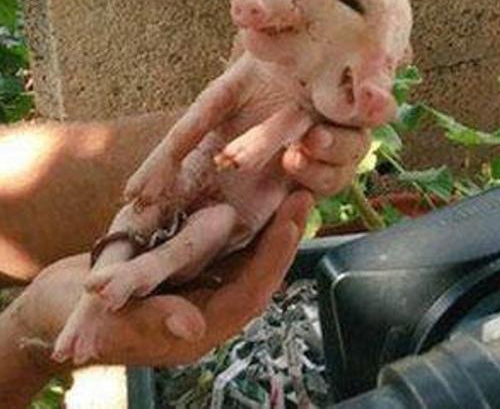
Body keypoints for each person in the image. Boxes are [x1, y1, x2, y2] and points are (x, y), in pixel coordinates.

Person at [0, 110, 371, 408]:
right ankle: (120, 285)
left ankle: (142, 270)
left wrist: (219, 144)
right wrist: (25, 341)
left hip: (194, 206)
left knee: (182, 221)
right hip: (181, 209)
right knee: (136, 233)